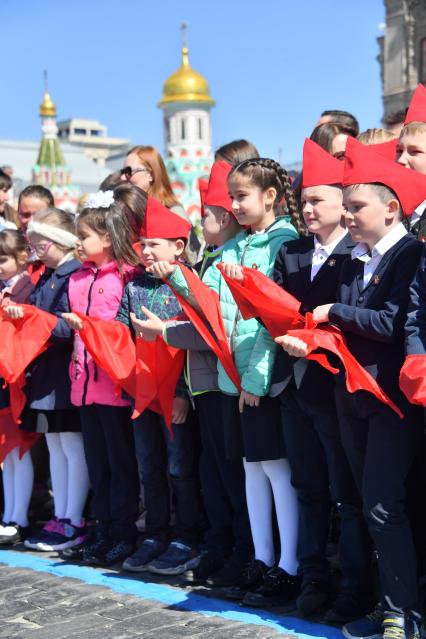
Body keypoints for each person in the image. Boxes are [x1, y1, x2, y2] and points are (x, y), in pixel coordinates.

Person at [279, 138, 426, 639]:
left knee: (386, 505)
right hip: (352, 397)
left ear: (391, 207)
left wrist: (333, 314)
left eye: (357, 206)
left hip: (391, 400)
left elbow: (391, 322)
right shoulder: (355, 260)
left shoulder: (409, 254)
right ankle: (387, 604)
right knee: (368, 506)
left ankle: (403, 612)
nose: (349, 216)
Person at [150, 158, 302, 605]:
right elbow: (211, 309)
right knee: (252, 470)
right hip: (234, 381)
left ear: (270, 196)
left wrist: (253, 379)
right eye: (230, 198)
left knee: (276, 470)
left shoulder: (284, 242)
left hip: (263, 381)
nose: (233, 206)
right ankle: (262, 557)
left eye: (241, 197)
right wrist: (176, 275)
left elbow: (271, 320)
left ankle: (288, 565)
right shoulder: (231, 251)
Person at [135, 161, 253, 586]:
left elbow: (214, 328)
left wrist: (165, 331)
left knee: (232, 476)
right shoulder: (210, 264)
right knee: (214, 475)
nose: (203, 223)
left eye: (206, 214)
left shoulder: (219, 266)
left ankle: (243, 552)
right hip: (206, 386)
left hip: (227, 385)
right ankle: (222, 548)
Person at [271, 140, 372, 621]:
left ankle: (354, 587)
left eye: (319, 200)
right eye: (304, 199)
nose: (308, 208)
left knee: (346, 494)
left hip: (337, 388)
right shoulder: (290, 252)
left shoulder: (358, 254)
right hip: (294, 386)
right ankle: (313, 576)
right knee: (307, 485)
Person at [117, 196, 201, 576]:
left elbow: (196, 342)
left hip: (176, 395)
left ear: (179, 247)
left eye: (155, 244)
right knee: (149, 466)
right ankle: (156, 533)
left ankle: (187, 535)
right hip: (143, 394)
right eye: (143, 244)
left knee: (179, 467)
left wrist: (182, 394)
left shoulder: (186, 284)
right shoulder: (134, 287)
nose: (146, 251)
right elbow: (121, 334)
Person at [62, 189, 142, 566]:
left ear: (107, 239)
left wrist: (91, 328)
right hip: (84, 387)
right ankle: (103, 528)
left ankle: (124, 532)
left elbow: (124, 332)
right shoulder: (76, 279)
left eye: (85, 237)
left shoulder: (126, 276)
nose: (79, 243)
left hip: (115, 385)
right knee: (97, 464)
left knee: (120, 463)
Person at [4, 208, 90, 552]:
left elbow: (67, 326)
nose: (35, 250)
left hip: (64, 377)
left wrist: (29, 318)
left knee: (71, 446)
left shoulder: (72, 275)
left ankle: (74, 518)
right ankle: (61, 515)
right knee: (56, 448)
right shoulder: (48, 275)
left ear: (57, 241)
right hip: (45, 377)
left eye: (40, 243)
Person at [0, 230, 34, 545]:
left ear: (21, 259)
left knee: (18, 449)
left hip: (17, 380)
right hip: (3, 377)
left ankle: (18, 517)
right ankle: (8, 513)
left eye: (4, 259)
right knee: (6, 453)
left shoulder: (25, 288)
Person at [120, 145, 200, 264]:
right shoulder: (126, 211)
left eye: (128, 171)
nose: (122, 178)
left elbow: (191, 259)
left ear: (150, 174)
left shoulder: (173, 212)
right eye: (122, 172)